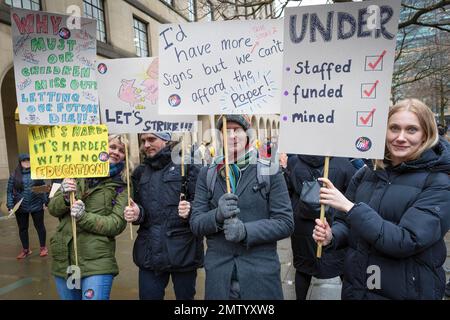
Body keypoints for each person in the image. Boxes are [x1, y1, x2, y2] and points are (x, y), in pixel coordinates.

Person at [313, 98, 450, 300]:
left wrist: (351, 208)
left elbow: (406, 240)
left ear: (426, 135)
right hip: (358, 286)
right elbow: (345, 223)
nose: (400, 137)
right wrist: (332, 236)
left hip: (407, 291)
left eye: (411, 130)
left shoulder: (439, 182)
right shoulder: (366, 173)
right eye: (394, 128)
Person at [190, 115, 294, 300]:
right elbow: (196, 223)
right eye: (226, 131)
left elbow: (285, 222)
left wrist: (246, 231)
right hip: (220, 279)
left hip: (260, 277)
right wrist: (217, 216)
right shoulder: (207, 174)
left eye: (237, 130)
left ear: (247, 134)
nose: (232, 136)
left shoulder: (269, 170)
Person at [48, 135, 130, 300]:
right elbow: (53, 209)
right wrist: (64, 197)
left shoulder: (123, 184)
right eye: (112, 147)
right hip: (66, 260)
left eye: (122, 151)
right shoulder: (76, 173)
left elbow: (116, 224)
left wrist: (83, 217)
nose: (116, 152)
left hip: (97, 262)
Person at [123, 132, 203, 300]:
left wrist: (191, 208)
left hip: (183, 251)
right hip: (149, 253)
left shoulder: (187, 165)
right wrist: (137, 214)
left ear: (166, 140)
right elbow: (140, 209)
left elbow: (204, 204)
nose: (146, 145)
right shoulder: (140, 172)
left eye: (152, 139)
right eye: (143, 140)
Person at [285, 154, 355, 300]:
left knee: (303, 268)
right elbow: (351, 194)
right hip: (334, 224)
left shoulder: (294, 162)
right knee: (342, 268)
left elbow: (287, 190)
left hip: (302, 226)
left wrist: (295, 209)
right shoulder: (344, 163)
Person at [7, 153, 49, 259]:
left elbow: (43, 187)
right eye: (24, 161)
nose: (27, 162)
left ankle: (43, 248)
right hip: (20, 206)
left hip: (37, 204)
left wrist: (45, 201)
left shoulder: (36, 173)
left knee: (40, 226)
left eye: (28, 160)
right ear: (20, 163)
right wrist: (10, 205)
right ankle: (26, 250)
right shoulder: (14, 175)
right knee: (23, 228)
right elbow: (9, 191)